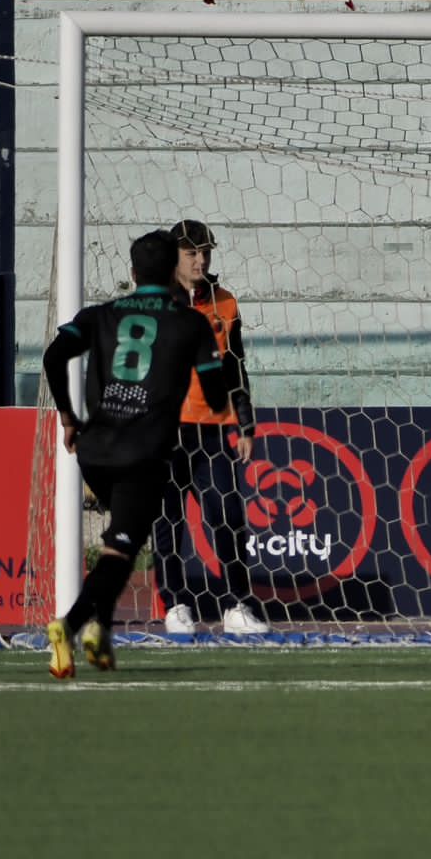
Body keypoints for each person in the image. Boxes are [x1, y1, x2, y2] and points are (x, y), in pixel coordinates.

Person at [40, 230, 232, 679]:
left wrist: (68, 415)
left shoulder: (98, 315)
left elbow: (53, 357)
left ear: (131, 273)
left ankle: (100, 632)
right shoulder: (190, 322)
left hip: (94, 450)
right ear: (172, 273)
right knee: (119, 551)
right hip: (142, 453)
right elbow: (218, 396)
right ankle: (67, 628)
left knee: (118, 543)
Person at [152, 219, 268, 637]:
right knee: (167, 522)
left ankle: (238, 605)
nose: (200, 260)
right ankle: (175, 605)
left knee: (229, 516)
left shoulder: (226, 303)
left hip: (213, 429)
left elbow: (236, 366)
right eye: (191, 253)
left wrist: (247, 423)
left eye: (205, 252)